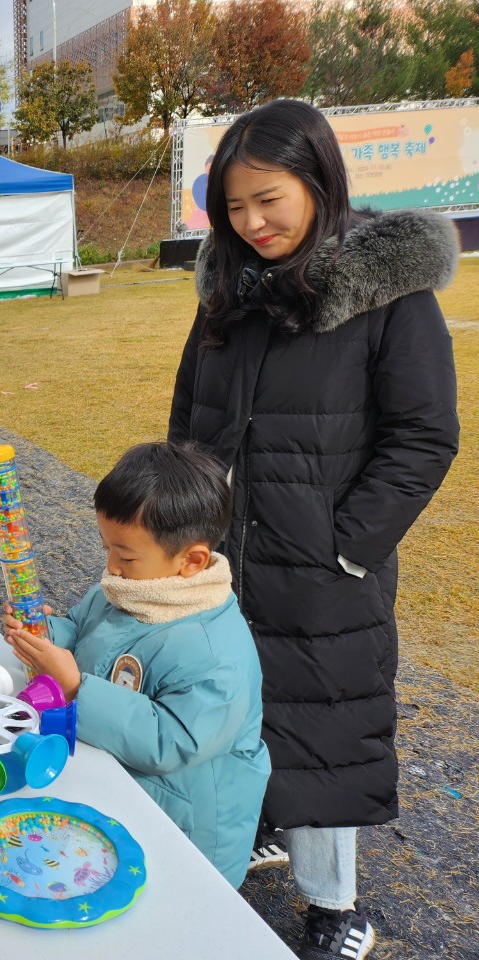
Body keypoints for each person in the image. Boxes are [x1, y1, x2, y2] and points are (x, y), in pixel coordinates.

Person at [168, 98, 460, 960]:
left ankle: (336, 909)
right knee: (237, 700)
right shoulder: (228, 291)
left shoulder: (389, 295)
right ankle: (263, 822)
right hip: (224, 554)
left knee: (327, 723)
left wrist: (349, 545)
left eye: (270, 199)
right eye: (234, 206)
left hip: (325, 565)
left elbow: (424, 436)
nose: (252, 222)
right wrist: (186, 517)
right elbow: (191, 414)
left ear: (319, 180)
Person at [3, 441, 270, 889]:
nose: (111, 567)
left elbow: (173, 741)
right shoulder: (130, 588)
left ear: (192, 560)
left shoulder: (216, 652)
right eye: (107, 547)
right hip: (120, 793)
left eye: (125, 555)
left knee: (171, 906)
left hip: (185, 829)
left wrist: (76, 688)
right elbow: (80, 629)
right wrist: (43, 636)